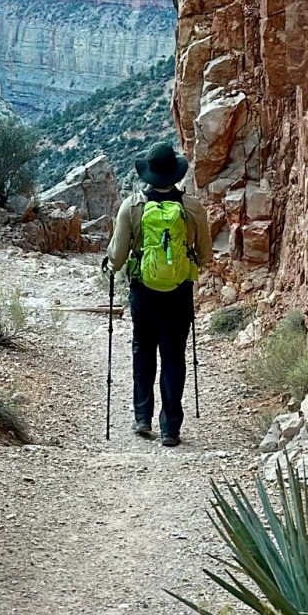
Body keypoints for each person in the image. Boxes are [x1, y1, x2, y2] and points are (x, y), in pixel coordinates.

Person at [103, 141, 210, 448]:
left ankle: (142, 418)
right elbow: (204, 256)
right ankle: (170, 428)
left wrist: (110, 265)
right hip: (178, 293)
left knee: (143, 350)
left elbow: (119, 256)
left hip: (143, 292)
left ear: (148, 173)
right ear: (175, 174)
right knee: (174, 355)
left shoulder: (132, 206)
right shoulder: (191, 208)